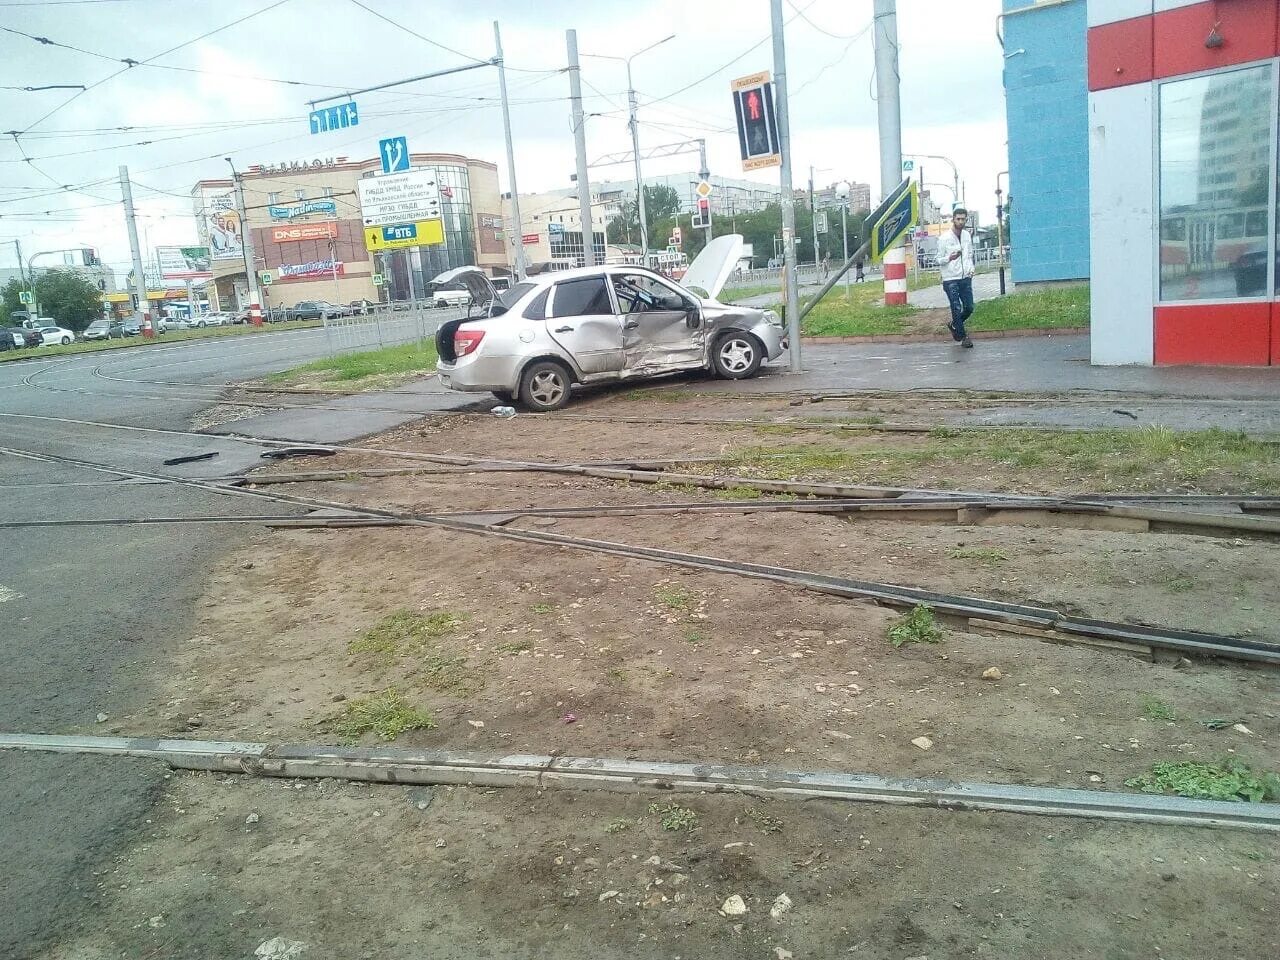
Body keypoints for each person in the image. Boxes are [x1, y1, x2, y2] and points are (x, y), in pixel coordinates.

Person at [937, 207, 976, 348]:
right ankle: (963, 336)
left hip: (965, 277)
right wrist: (949, 257)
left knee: (969, 307)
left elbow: (969, 255)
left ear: (966, 219)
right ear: (953, 219)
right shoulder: (944, 238)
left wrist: (971, 269)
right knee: (956, 307)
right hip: (950, 278)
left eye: (963, 219)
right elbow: (938, 259)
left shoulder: (966, 236)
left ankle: (954, 324)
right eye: (958, 219)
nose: (961, 221)